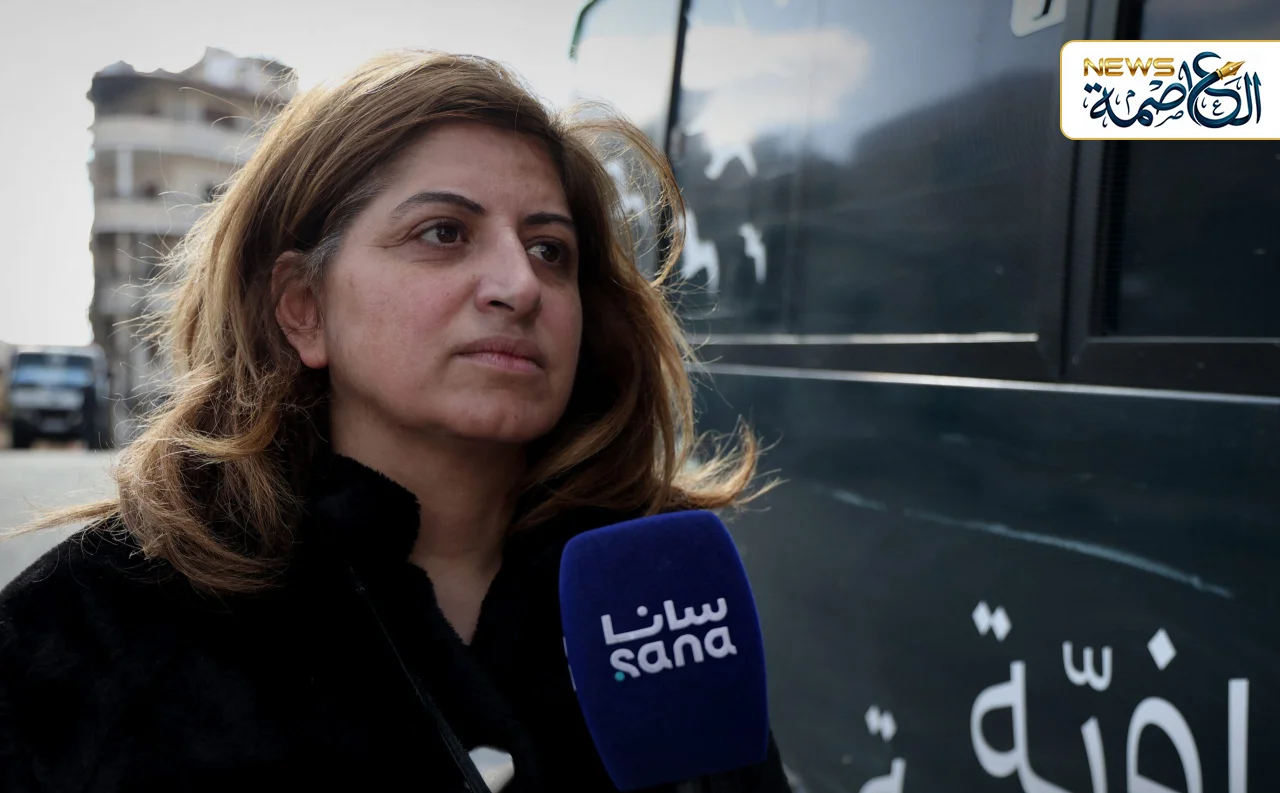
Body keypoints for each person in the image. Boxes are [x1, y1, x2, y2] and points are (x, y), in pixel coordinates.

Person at [0, 50, 786, 792]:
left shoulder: (659, 591)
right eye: (443, 233)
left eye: (551, 250)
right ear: (303, 308)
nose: (520, 284)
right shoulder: (93, 626)